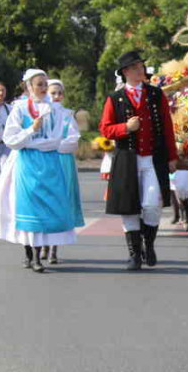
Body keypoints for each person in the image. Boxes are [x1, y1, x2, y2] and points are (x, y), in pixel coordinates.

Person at [0, 69, 79, 272]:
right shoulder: (20, 109)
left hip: (50, 162)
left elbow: (58, 139)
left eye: (45, 84)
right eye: (39, 84)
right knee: (30, 208)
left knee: (49, 207)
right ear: (29, 86)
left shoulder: (54, 110)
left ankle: (45, 251)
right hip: (27, 163)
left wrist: (43, 143)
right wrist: (31, 131)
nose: (44, 88)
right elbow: (11, 140)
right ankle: (32, 255)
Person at [100, 50, 178, 270]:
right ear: (125, 72)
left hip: (153, 158)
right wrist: (125, 128)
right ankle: (134, 254)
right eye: (135, 67)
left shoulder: (155, 94)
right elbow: (105, 129)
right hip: (127, 159)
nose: (140, 70)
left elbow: (167, 126)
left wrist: (172, 156)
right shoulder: (114, 98)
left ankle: (149, 244)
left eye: (141, 66)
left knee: (152, 205)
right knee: (129, 208)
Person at [40, 79, 85, 264]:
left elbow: (73, 139)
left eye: (60, 93)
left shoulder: (68, 115)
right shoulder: (41, 113)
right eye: (53, 93)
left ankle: (54, 249)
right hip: (44, 161)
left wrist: (56, 145)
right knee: (44, 202)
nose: (57, 96)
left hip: (63, 160)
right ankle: (42, 244)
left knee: (60, 203)